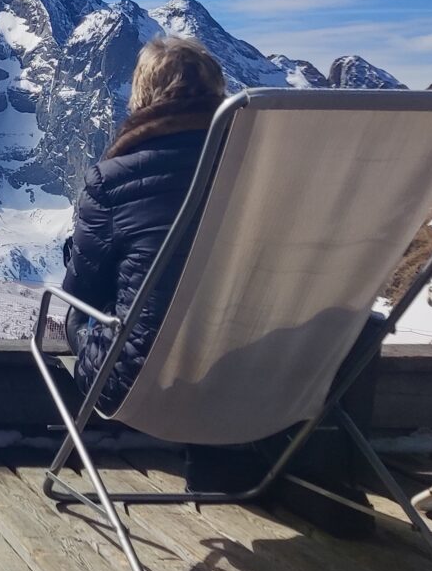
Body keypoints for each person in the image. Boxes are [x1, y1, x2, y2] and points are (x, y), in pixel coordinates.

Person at [60, 35, 377, 535]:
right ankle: (290, 466)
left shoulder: (113, 179)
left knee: (79, 316)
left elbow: (81, 294)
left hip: (145, 381)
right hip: (270, 370)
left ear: (140, 98)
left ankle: (221, 462)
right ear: (219, 94)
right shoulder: (271, 170)